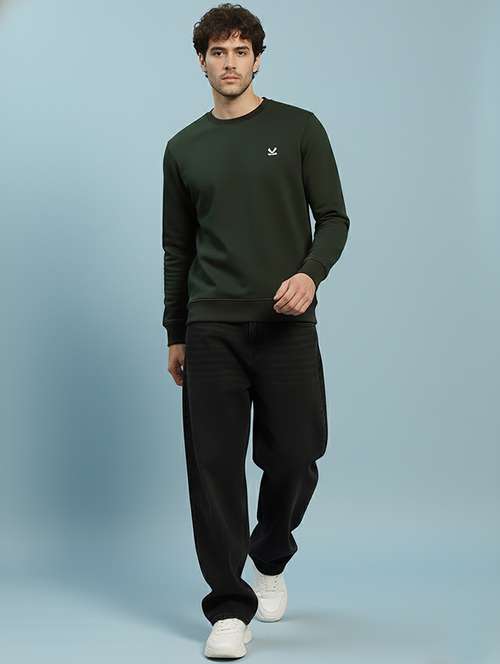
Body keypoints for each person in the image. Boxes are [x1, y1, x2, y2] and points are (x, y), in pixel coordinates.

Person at [162, 3, 350, 659]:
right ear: (202, 62)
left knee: (297, 453)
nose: (230, 63)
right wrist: (175, 331)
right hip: (210, 325)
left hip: (285, 323)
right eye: (218, 52)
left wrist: (310, 275)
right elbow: (178, 248)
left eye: (240, 51)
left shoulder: (298, 129)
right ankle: (228, 608)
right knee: (213, 467)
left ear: (258, 59)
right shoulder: (184, 148)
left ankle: (269, 552)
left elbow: (333, 218)